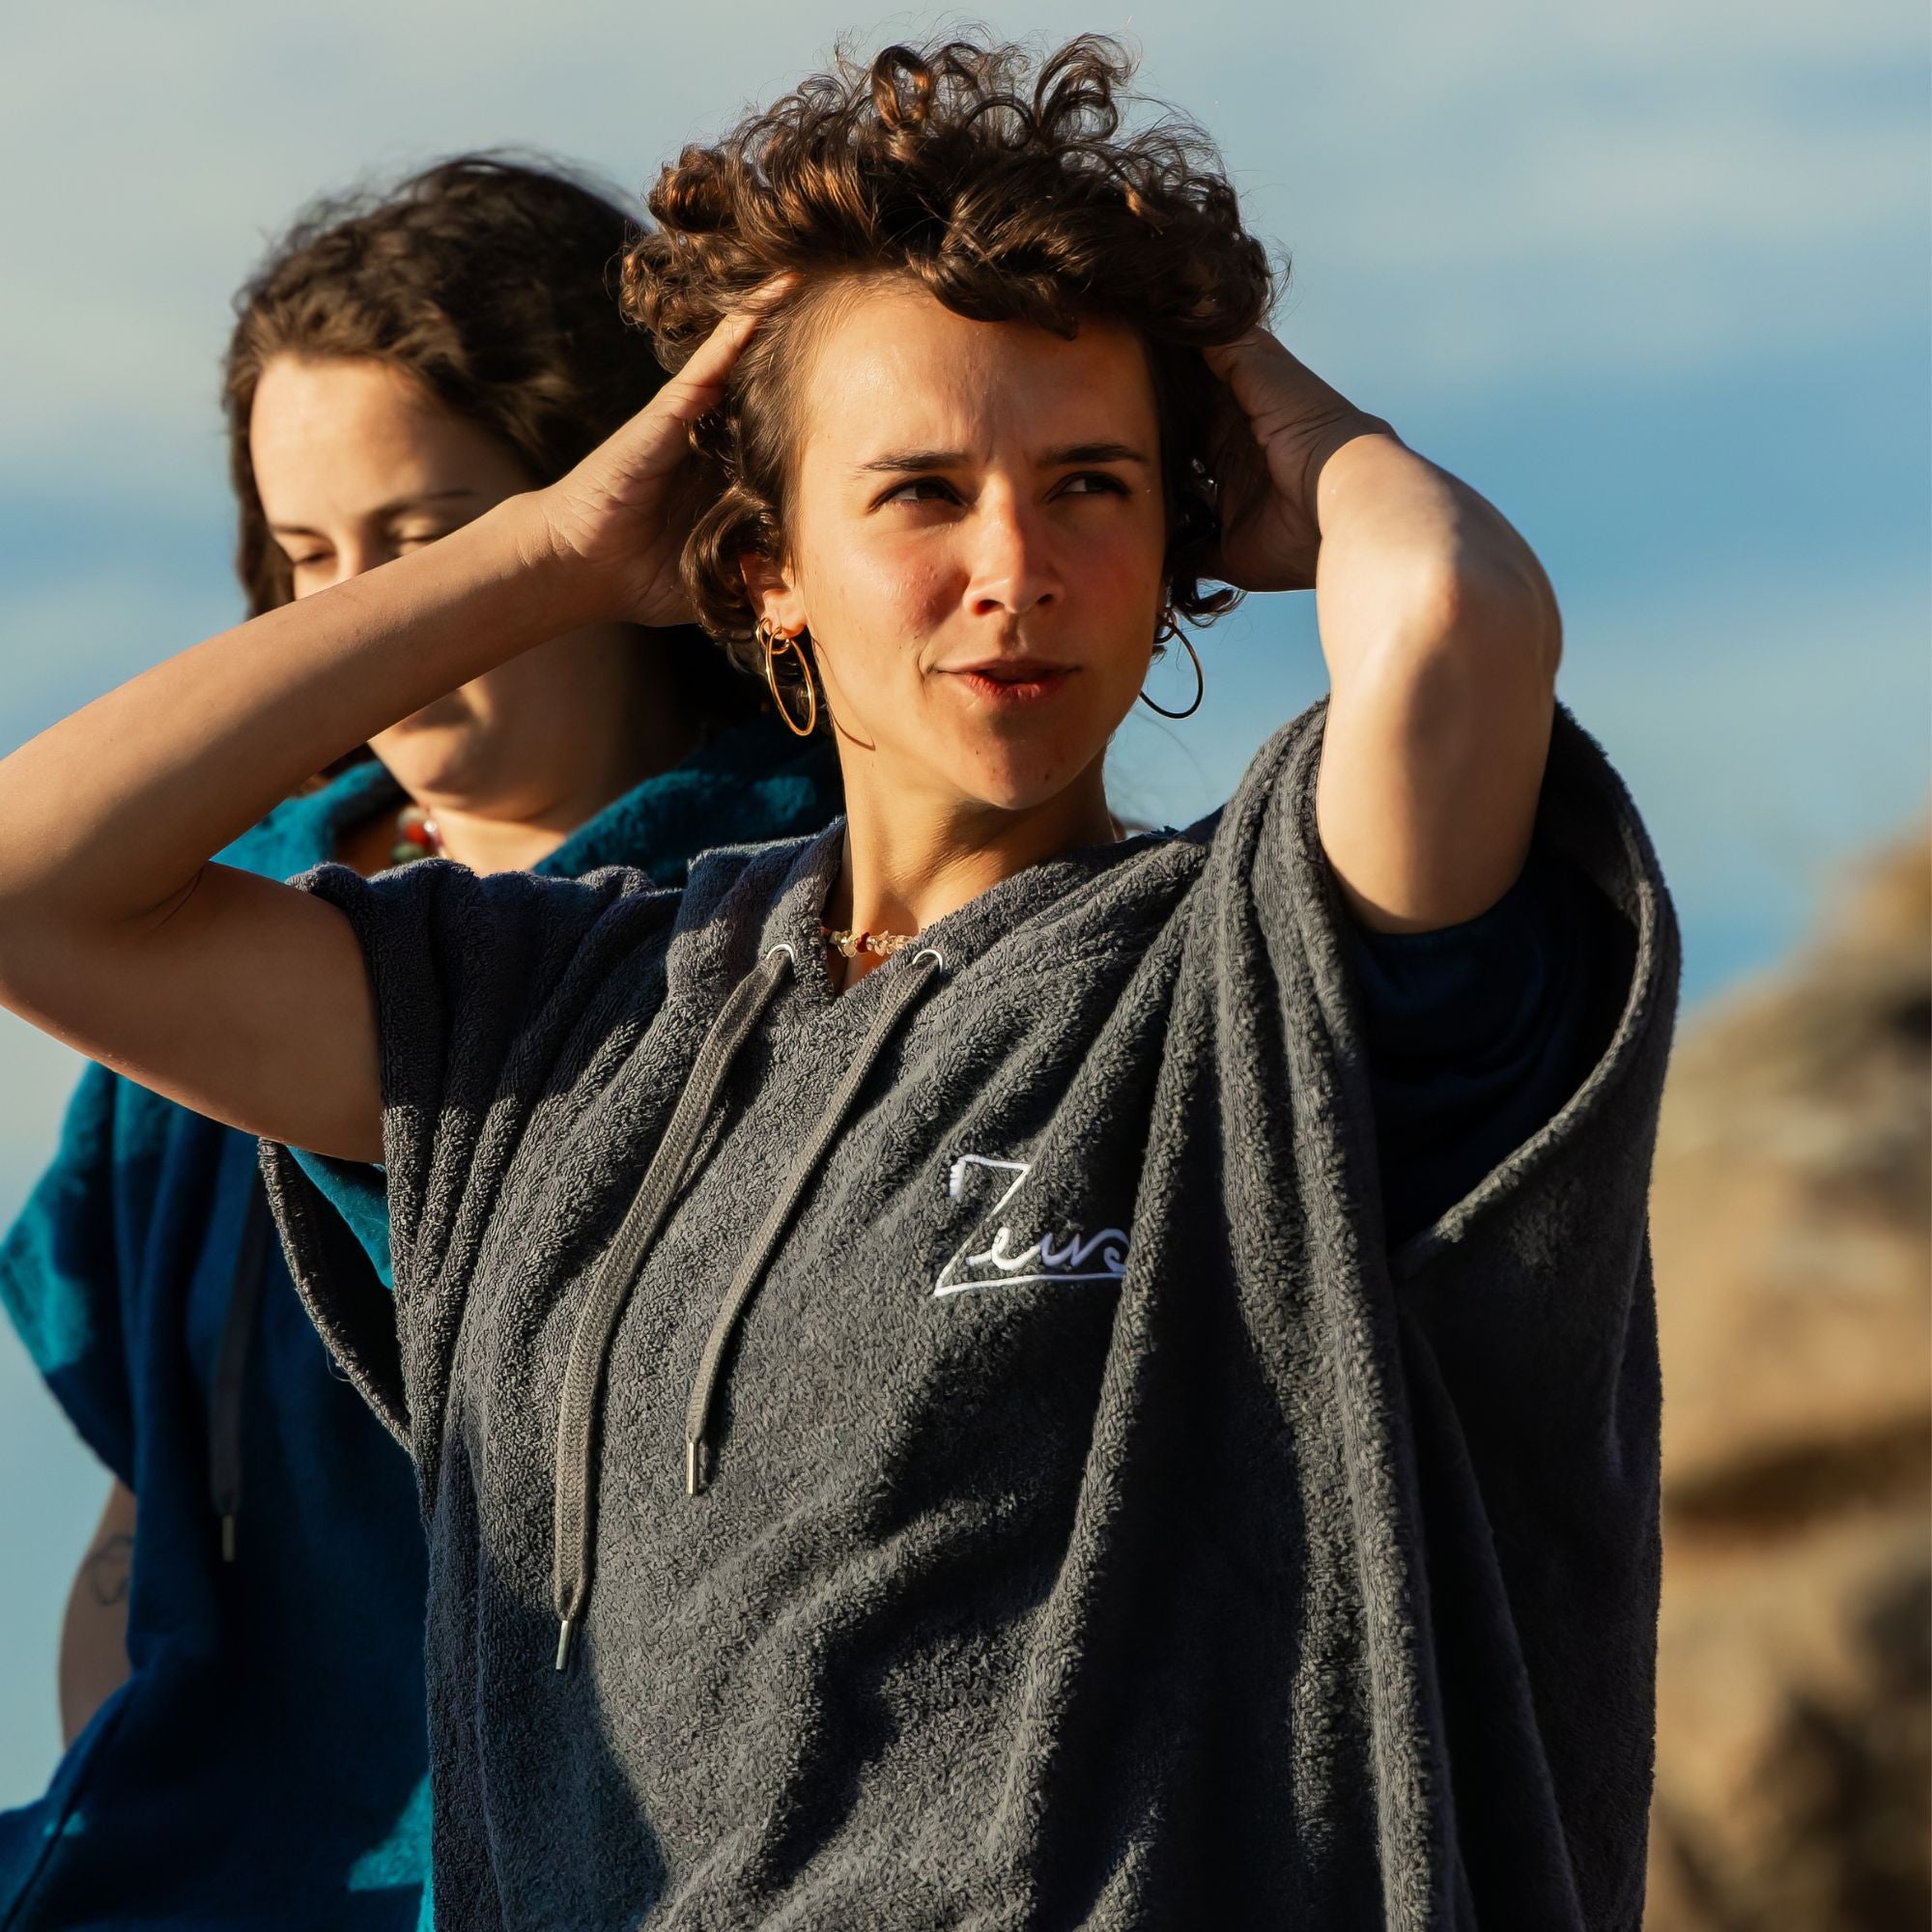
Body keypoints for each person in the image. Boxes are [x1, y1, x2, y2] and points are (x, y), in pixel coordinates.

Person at [0, 38, 1678, 1929]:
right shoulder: (546, 1017)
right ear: (760, 561)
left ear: (1195, 523)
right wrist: (542, 551)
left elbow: (1451, 625)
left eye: (1091, 485)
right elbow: (38, 889)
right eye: (917, 493)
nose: (1012, 567)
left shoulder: (1255, 965)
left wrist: (1244, 385)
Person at [0, 157, 837, 1930]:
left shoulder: (813, 923)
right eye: (306, 558)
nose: (356, 613)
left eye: (424, 542)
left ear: (613, 503)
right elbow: (151, 1533)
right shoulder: (198, 924)